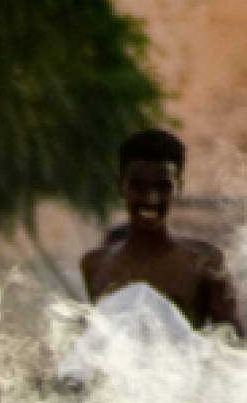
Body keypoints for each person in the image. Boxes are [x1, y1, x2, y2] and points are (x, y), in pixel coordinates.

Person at [80, 129, 243, 336]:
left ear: (179, 188)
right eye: (138, 186)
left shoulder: (204, 262)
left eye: (163, 187)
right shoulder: (95, 265)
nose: (150, 198)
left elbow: (235, 349)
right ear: (121, 185)